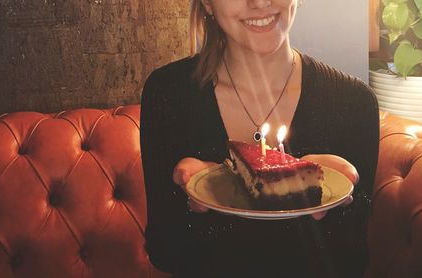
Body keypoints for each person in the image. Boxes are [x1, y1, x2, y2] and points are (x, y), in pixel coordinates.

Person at [140, 0, 379, 277]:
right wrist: (188, 200)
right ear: (207, 3)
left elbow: (352, 259)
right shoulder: (169, 94)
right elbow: (165, 252)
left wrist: (334, 204)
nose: (260, 2)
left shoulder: (354, 104)